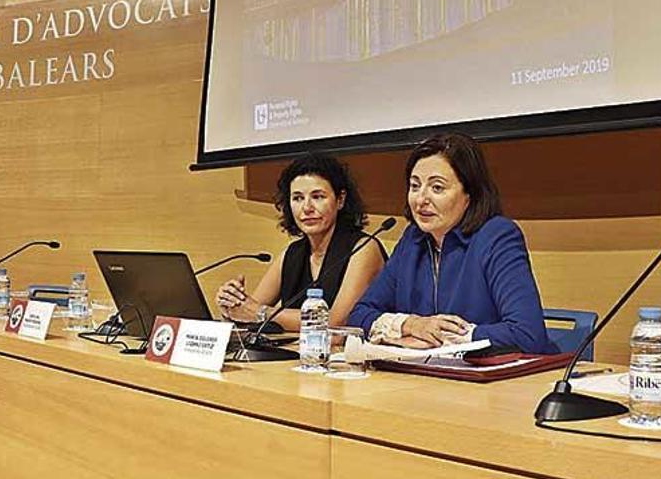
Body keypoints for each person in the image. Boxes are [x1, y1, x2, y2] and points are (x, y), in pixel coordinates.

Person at [348, 133, 555, 353]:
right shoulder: (413, 240)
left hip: (498, 381)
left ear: (469, 194)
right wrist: (412, 325)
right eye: (415, 186)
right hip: (431, 377)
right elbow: (359, 316)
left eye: (437, 188)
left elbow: (527, 334)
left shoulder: (497, 236)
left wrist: (446, 336)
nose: (420, 199)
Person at [216, 154, 387, 331]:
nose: (307, 208)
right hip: (299, 355)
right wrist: (233, 306)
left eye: (318, 197)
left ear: (340, 200)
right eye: (297, 198)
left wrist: (260, 313)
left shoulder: (363, 249)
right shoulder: (292, 254)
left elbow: (336, 325)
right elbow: (250, 312)